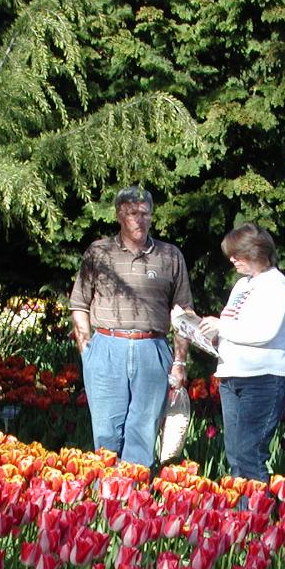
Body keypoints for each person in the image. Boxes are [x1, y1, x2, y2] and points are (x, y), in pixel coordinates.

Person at [69, 186, 193, 467]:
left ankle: (135, 500)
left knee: (143, 433)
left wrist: (180, 363)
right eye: (132, 213)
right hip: (106, 347)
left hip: (152, 348)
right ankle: (106, 501)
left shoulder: (170, 256)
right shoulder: (99, 252)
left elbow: (184, 313)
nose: (139, 219)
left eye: (145, 213)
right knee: (106, 433)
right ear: (119, 215)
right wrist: (87, 350)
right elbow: (79, 304)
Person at [197, 223, 285, 484]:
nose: (231, 259)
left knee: (250, 455)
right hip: (232, 376)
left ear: (255, 252)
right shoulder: (242, 285)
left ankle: (256, 519)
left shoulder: (275, 284)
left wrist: (222, 326)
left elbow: (265, 332)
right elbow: (233, 327)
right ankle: (240, 519)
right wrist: (206, 332)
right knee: (235, 454)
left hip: (263, 379)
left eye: (236, 254)